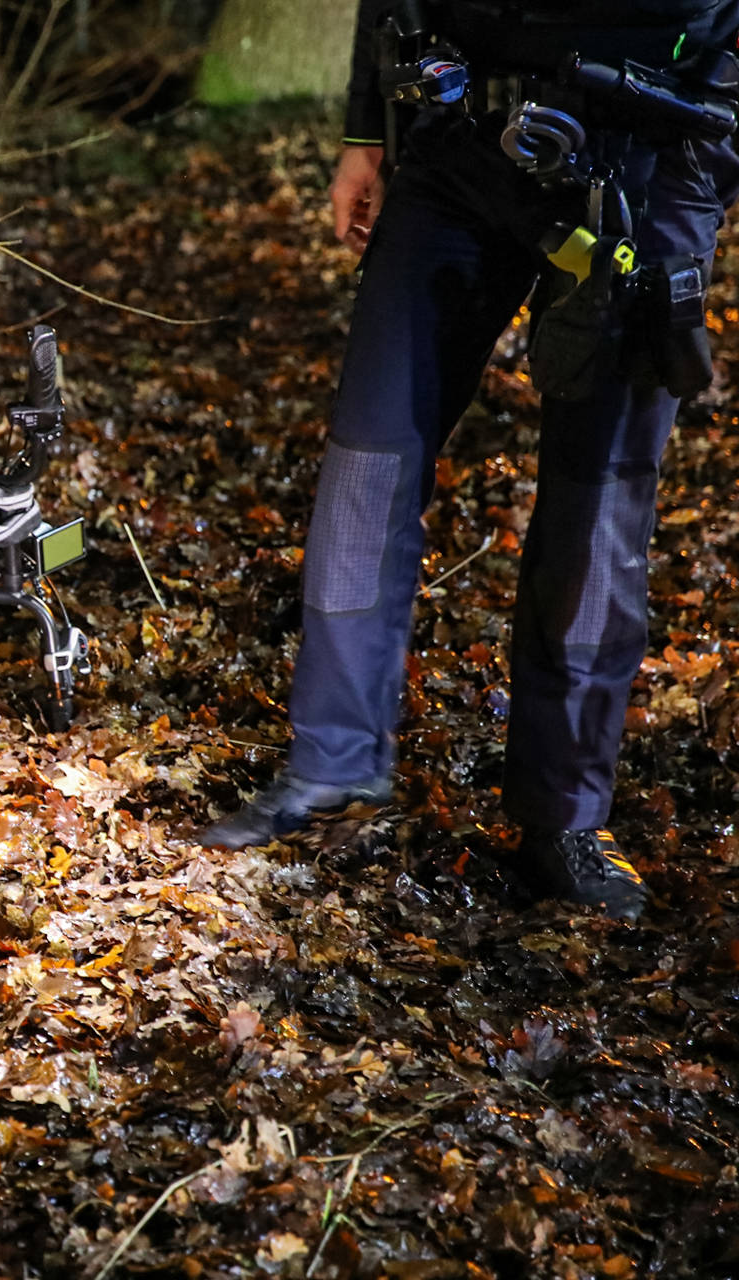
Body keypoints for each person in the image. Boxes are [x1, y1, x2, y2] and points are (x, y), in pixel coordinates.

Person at [199, 0, 739, 923]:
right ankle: (332, 764)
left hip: (651, 156)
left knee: (597, 504)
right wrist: (366, 130)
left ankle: (564, 817)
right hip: (463, 146)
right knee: (369, 455)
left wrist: (695, 189)